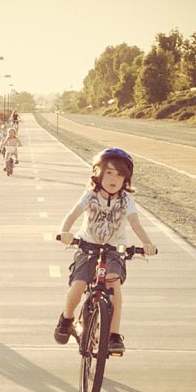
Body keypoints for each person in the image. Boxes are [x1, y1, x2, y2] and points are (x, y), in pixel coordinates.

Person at [54, 148, 157, 355]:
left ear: (126, 179)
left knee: (112, 281)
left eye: (119, 174)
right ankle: (66, 318)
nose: (113, 178)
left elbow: (135, 222)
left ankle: (113, 335)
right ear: (98, 173)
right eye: (108, 172)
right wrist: (65, 231)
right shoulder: (90, 195)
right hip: (87, 245)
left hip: (114, 250)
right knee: (79, 283)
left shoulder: (126, 200)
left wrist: (147, 243)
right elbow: (73, 214)